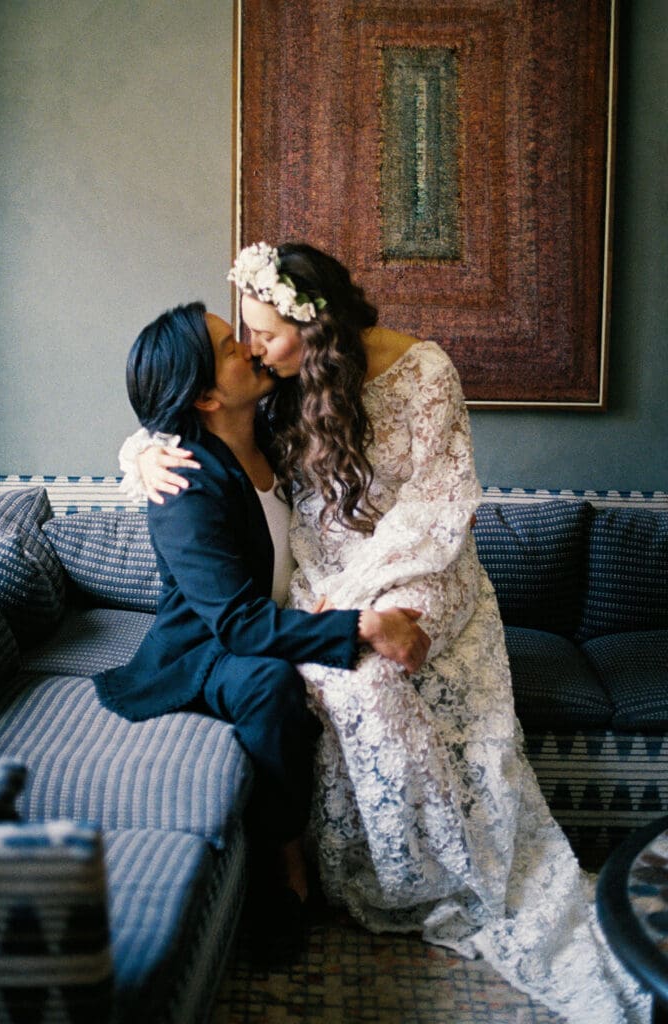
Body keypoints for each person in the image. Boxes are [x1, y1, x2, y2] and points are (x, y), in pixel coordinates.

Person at [122, 246, 649, 1023]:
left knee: (377, 674)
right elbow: (190, 430)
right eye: (244, 337)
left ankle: (442, 870)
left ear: (313, 325)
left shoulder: (414, 372)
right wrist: (139, 448)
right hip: (325, 586)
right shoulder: (271, 395)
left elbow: (435, 504)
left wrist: (377, 600)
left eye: (263, 332)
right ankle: (349, 871)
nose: (255, 346)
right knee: (337, 681)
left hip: (420, 566)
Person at [96, 300, 431, 958]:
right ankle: (283, 867)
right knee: (270, 686)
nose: (252, 348)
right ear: (205, 396)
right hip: (206, 648)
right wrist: (363, 627)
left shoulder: (276, 425)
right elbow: (239, 624)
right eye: (230, 347)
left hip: (286, 610)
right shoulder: (182, 484)